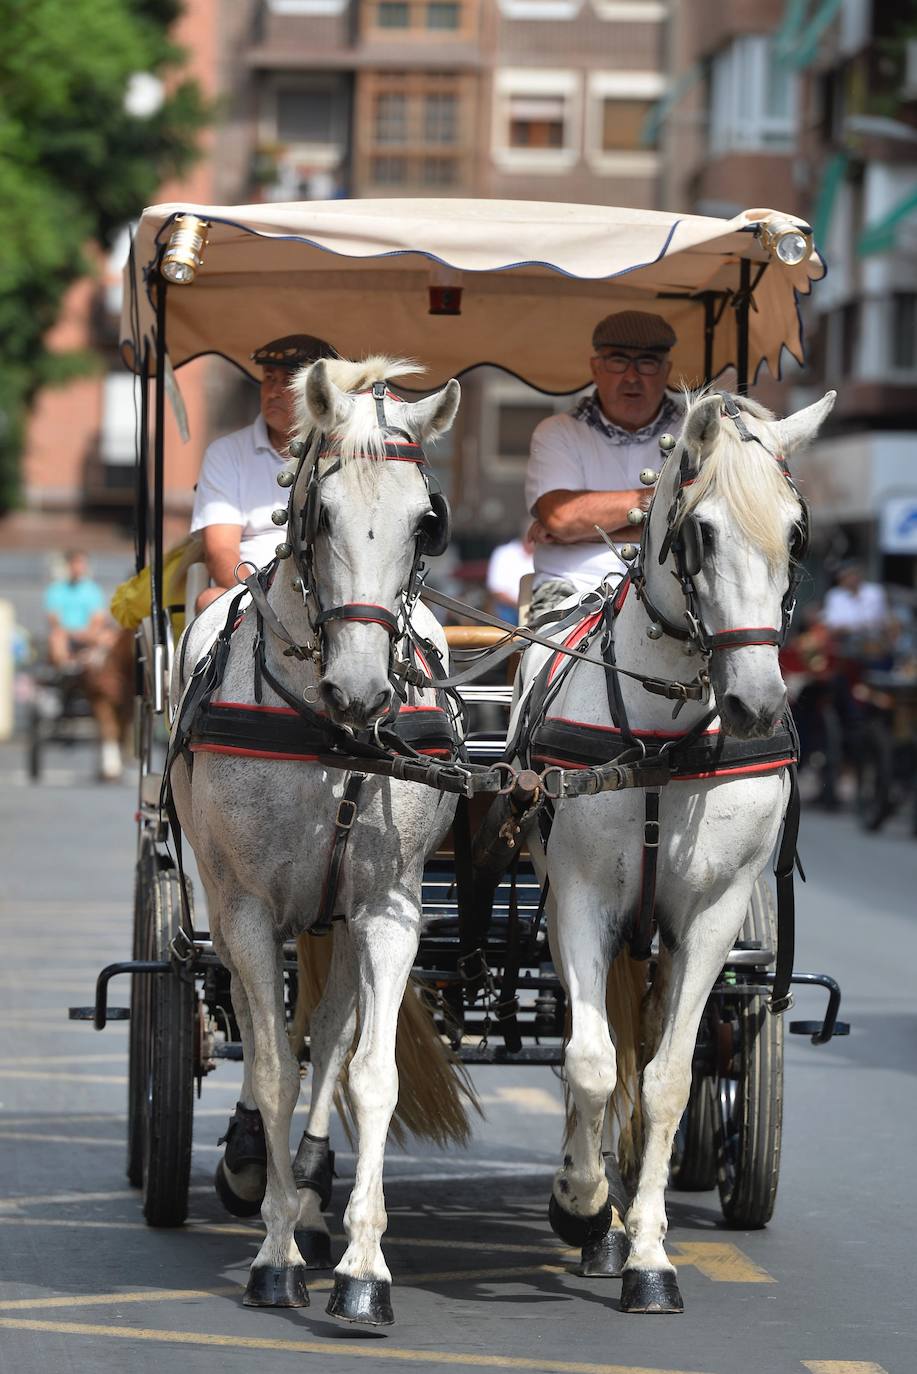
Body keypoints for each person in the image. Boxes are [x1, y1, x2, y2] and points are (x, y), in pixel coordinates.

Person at [524, 310, 682, 619]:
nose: (632, 376)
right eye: (618, 360)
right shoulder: (557, 431)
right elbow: (561, 517)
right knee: (551, 664)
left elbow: (703, 529)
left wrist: (579, 531)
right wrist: (662, 508)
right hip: (571, 590)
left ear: (667, 371)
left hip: (673, 594)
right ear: (595, 368)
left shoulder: (697, 432)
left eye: (647, 362)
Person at [191, 333, 334, 611]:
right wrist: (264, 604)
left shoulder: (343, 454)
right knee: (208, 601)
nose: (273, 391)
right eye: (269, 378)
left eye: (288, 381)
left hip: (327, 601)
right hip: (251, 598)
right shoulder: (227, 453)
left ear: (320, 391)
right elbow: (220, 551)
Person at [44, 550, 112, 671]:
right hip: (66, 634)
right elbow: (54, 619)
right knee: (56, 638)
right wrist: (71, 633)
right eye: (75, 563)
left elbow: (98, 617)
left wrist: (88, 633)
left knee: (109, 638)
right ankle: (66, 669)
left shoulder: (93, 590)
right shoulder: (56, 589)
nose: (78, 567)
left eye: (81, 563)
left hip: (88, 633)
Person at [486, 529, 535, 623]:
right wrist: (521, 606)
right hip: (507, 610)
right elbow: (496, 589)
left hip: (535, 611)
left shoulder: (543, 556)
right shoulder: (504, 553)